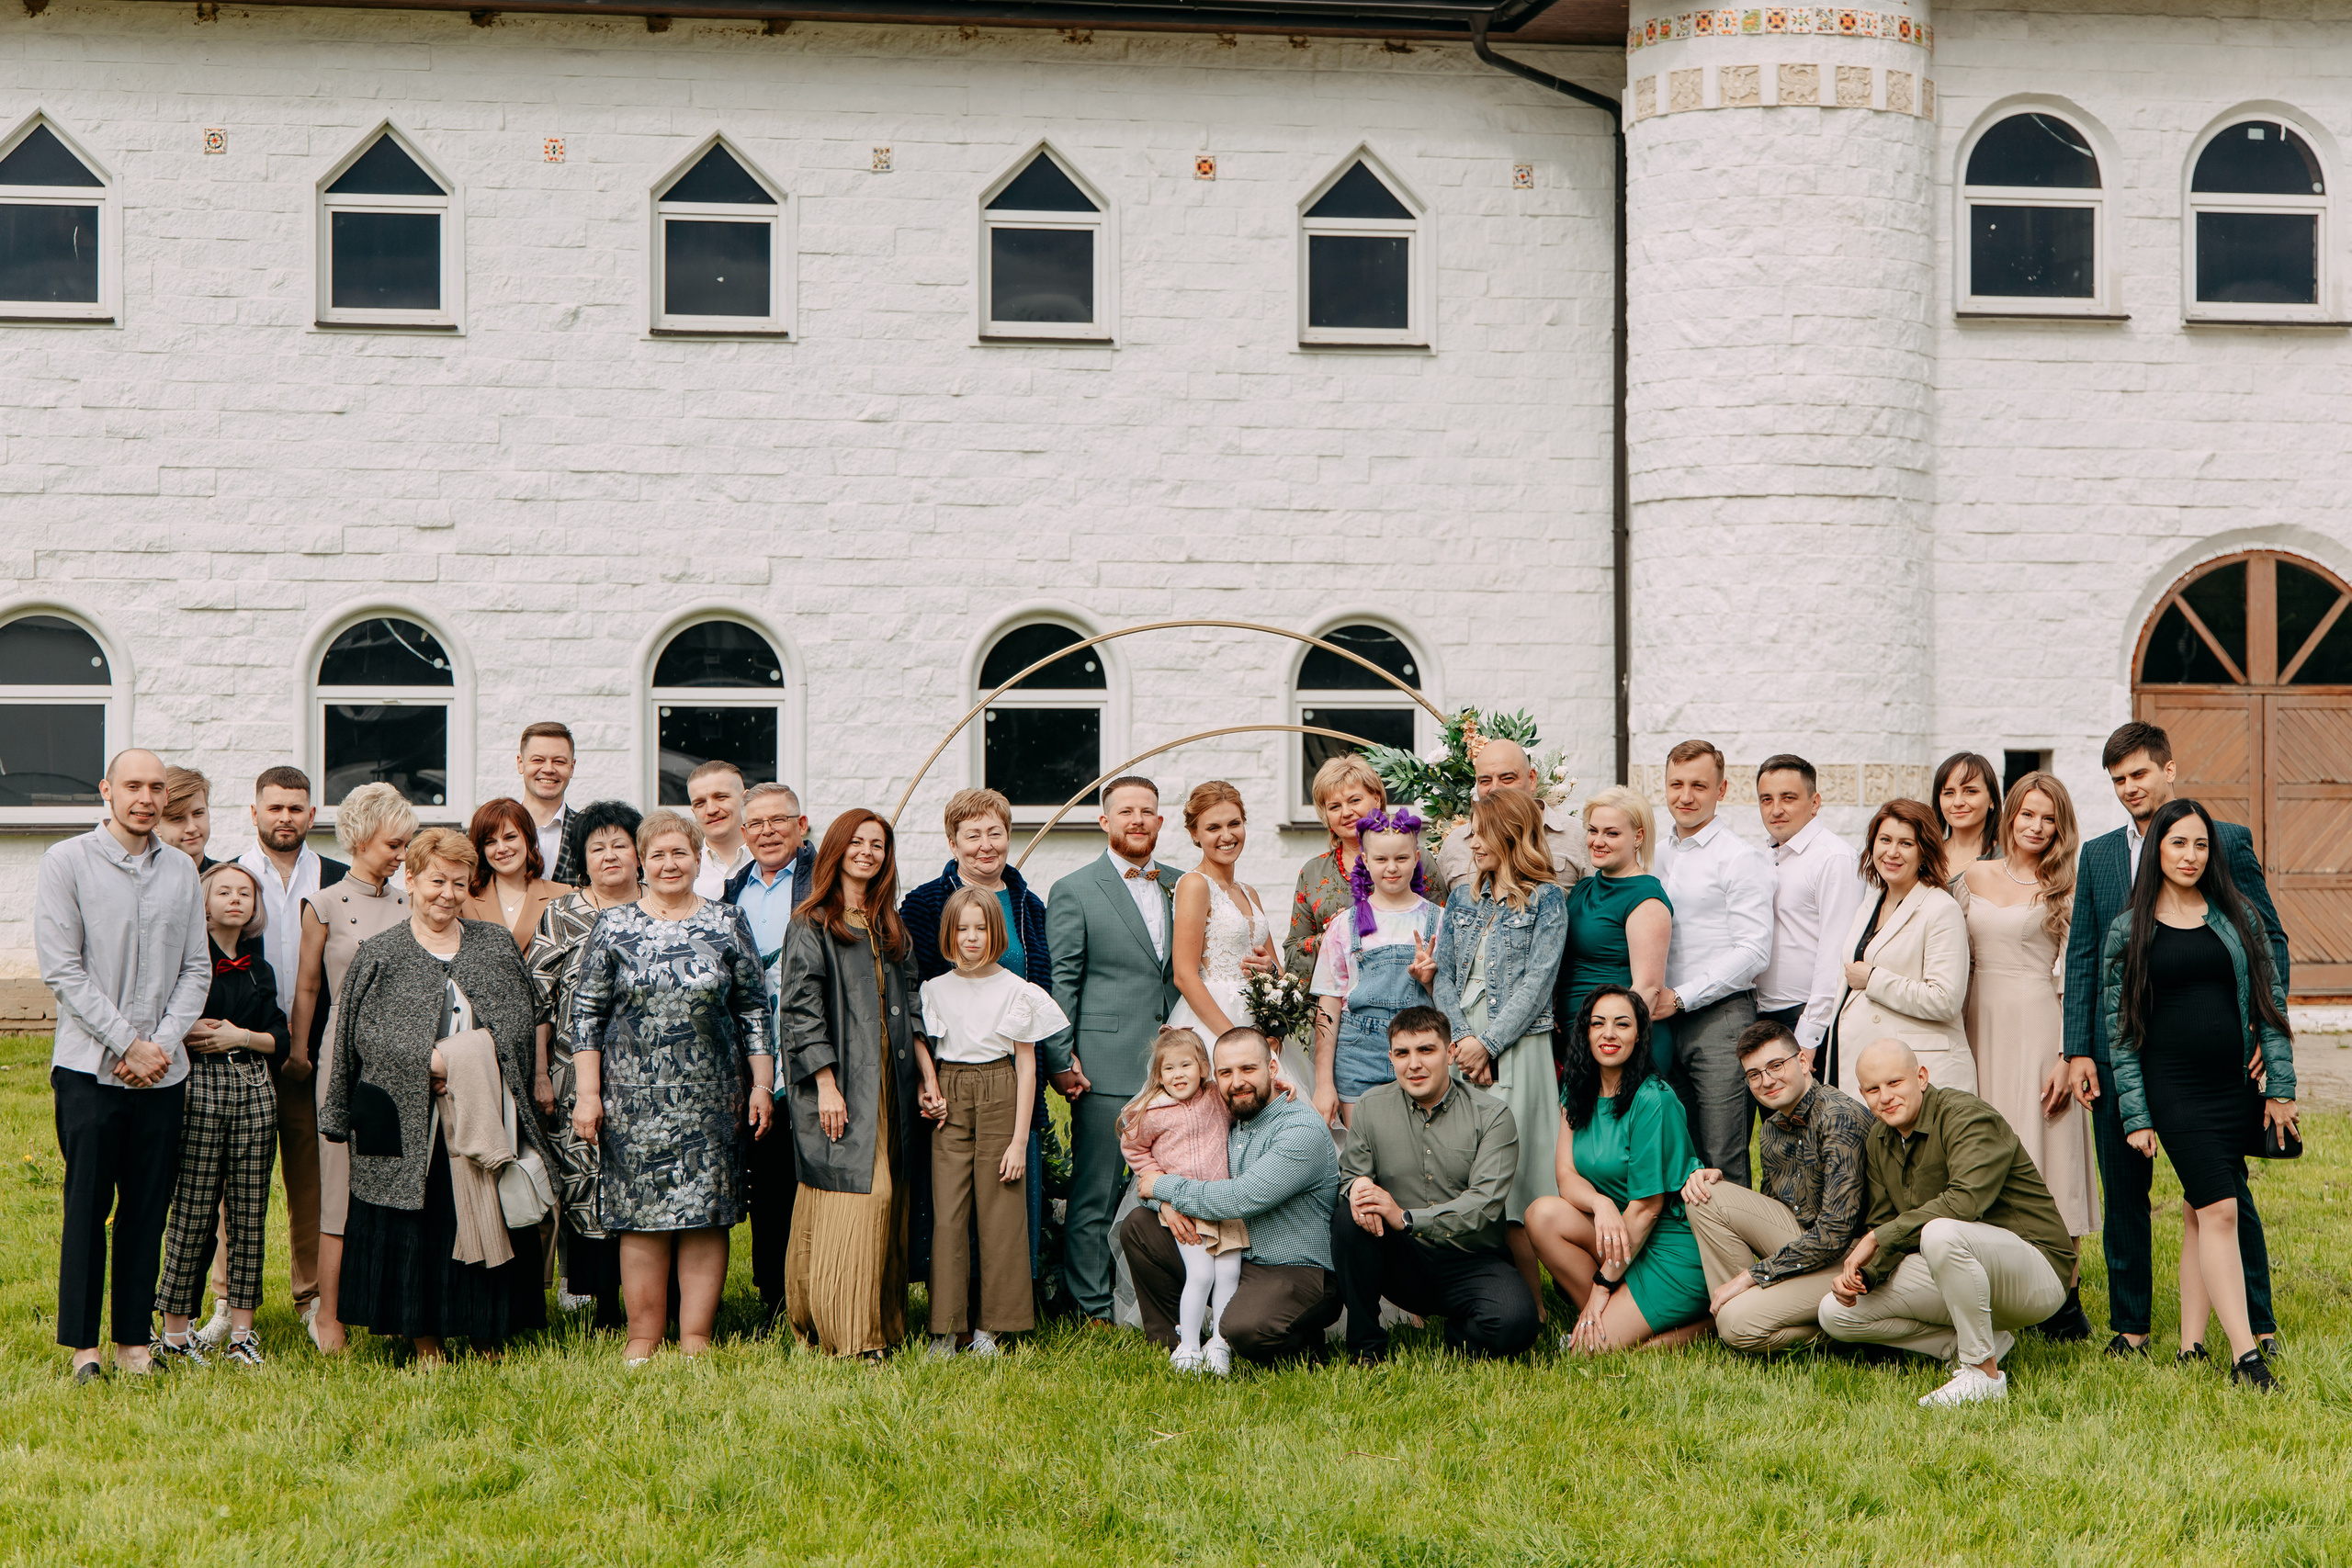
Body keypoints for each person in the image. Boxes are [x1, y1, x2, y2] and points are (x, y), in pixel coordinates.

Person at [2062, 720, 2287, 1359]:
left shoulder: (2224, 842)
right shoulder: (2102, 856)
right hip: (2121, 1053)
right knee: (2125, 1189)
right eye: (2118, 780)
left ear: (2169, 770)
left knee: (2221, 1191)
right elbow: (2084, 955)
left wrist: (2257, 1024)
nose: (2130, 787)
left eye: (2139, 774)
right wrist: (2078, 1046)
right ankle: (2131, 1326)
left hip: (2212, 1056)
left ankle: (2257, 1322)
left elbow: (2268, 941)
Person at [320, 828, 549, 1362]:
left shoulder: (493, 945)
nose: (447, 893)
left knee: (484, 1213)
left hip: (485, 1113)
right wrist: (427, 1064)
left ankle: (488, 1333)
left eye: (459, 883)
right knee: (417, 1229)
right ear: (411, 879)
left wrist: (461, 1060)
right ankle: (424, 1342)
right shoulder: (381, 953)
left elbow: (521, 1020)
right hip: (406, 1118)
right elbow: (360, 1035)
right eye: (436, 881)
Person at [2101, 797, 2294, 1391]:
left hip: (2231, 1083)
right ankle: (2245, 1358)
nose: (2190, 855)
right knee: (2221, 1209)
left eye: (2200, 844)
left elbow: (2270, 1003)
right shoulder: (2129, 928)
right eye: (2178, 842)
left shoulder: (2236, 915)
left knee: (2195, 1213)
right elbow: (2121, 1029)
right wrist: (2135, 1112)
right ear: (2157, 847)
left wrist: (2280, 1086)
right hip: (2172, 1088)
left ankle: (2191, 1347)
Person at [569, 808, 774, 1363]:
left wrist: (761, 1084)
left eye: (679, 853)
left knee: (707, 1214)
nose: (668, 864)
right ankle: (643, 1339)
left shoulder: (727, 922)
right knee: (641, 1218)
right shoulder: (614, 927)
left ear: (697, 857)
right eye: (656, 854)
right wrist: (589, 1095)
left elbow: (755, 1008)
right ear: (641, 861)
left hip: (713, 1098)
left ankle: (696, 1339)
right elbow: (585, 1014)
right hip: (632, 1099)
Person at [36, 749, 210, 1382]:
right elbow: (63, 968)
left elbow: (197, 968)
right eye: (133, 785)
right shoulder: (67, 862)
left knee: (146, 1206)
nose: (146, 797)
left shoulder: (182, 872)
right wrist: (125, 1043)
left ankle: (134, 1342)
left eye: (157, 787)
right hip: (88, 1069)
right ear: (108, 789)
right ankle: (85, 1347)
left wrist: (158, 1045)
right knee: (88, 1204)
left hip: (163, 1072)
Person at [1818, 1040, 2075, 1407]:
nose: (1885, 1097)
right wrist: (1863, 1275)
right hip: (1962, 1270)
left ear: (1921, 1077)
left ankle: (1982, 1374)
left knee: (1939, 1231)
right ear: (1862, 1093)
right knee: (1835, 1314)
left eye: (1895, 1083)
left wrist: (1878, 1237)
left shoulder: (1966, 1116)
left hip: (2037, 1272)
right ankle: (1979, 1344)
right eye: (1873, 1090)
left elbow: (1965, 1202)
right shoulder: (1879, 1140)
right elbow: (1886, 1223)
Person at [778, 808, 937, 1359]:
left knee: (889, 1203)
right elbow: (799, 1013)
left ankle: (883, 1324)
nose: (868, 852)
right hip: (839, 1085)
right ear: (838, 849)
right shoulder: (812, 922)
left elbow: (912, 1004)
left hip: (892, 1084)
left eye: (878, 845)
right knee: (859, 1197)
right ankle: (849, 1336)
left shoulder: (890, 924)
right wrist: (825, 1084)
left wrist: (925, 1076)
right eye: (859, 843)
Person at [899, 785, 1057, 1306]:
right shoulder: (924, 904)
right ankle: (954, 1305)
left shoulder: (1028, 905)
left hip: (1012, 1069)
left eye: (996, 833)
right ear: (953, 842)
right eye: (973, 835)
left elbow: (1043, 988)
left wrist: (1059, 1061)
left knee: (1011, 1187)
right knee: (951, 1197)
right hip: (951, 1069)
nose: (985, 845)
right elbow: (916, 991)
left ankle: (1006, 1304)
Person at [277, 781, 415, 1353]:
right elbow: (308, 987)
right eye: (393, 844)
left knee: (402, 1185)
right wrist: (299, 1053)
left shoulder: (414, 902)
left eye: (407, 844)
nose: (402, 855)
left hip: (406, 1058)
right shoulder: (324, 904)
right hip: (343, 1058)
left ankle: (400, 1308)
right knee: (337, 1189)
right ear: (360, 838)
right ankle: (328, 1316)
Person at [1962, 772, 2100, 1319]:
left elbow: (2078, 974)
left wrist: (2069, 1056)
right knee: (1986, 1142)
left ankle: (2065, 1294)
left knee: (2051, 1147)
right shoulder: (1970, 876)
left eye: (2049, 818)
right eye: (2028, 814)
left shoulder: (2066, 884)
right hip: (1975, 1023)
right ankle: (1995, 1282)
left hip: (2041, 1023)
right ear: (2010, 816)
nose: (2037, 827)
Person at [1042, 776, 1179, 1327]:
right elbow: (1064, 979)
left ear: (1160, 823)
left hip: (1176, 1063)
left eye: (1148, 811)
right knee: (1096, 1188)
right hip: (1104, 1061)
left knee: (1171, 1186)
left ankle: (1158, 1299)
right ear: (1105, 822)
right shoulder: (1075, 889)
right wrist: (1060, 1055)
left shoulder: (1180, 883)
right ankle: (1093, 1305)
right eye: (1126, 812)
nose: (1138, 821)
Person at [1124, 1027, 1344, 1366]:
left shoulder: (1299, 1128)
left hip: (1292, 1269)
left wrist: (1163, 1188)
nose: (1237, 1082)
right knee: (1140, 1226)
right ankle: (1181, 1345)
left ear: (1273, 1069)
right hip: (1232, 1252)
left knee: (1243, 1329)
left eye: (1248, 1069)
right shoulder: (1227, 1116)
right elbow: (1163, 1170)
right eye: (1226, 1072)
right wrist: (1163, 1204)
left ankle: (1298, 1339)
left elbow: (1240, 1198)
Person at [1333, 1005, 1539, 1364]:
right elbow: (1351, 1176)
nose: (1414, 1064)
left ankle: (1460, 1335)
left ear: (1450, 1053)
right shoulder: (1370, 1106)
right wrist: (1359, 1189)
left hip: (1471, 1258)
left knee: (1516, 1324)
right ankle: (1366, 1348)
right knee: (1349, 1217)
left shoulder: (1491, 1116)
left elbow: (1483, 1205)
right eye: (1403, 1053)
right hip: (1402, 1260)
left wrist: (1406, 1218)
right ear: (1391, 1058)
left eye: (1426, 1050)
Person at [1431, 789, 1569, 1312]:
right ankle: (1474, 1294)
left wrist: (1489, 1043)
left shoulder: (1546, 900)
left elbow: (1539, 982)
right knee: (1465, 1168)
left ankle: (1534, 1305)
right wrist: (1464, 1040)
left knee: (1520, 1180)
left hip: (1520, 1046)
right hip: (1463, 1041)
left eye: (1479, 832)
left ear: (1509, 833)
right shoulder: (1463, 897)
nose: (1471, 844)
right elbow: (1444, 971)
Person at [153, 862, 289, 1368]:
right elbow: (165, 1018)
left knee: (251, 1210)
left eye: (246, 893)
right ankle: (174, 1334)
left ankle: (241, 1335)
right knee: (194, 1208)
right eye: (224, 891)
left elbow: (283, 1037)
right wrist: (187, 1033)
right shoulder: (188, 963)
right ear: (204, 902)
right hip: (201, 1085)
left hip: (255, 1084)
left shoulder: (260, 968)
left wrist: (241, 1037)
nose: (235, 900)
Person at [1523, 986, 1711, 1352]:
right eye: (1599, 1023)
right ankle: (1597, 1318)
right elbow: (1566, 1177)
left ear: (1639, 1034)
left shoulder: (1653, 1098)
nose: (1609, 1033)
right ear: (1587, 1032)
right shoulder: (1577, 1090)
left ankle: (1709, 1321)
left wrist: (1600, 1286)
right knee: (1542, 1214)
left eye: (1622, 1024)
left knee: (1586, 1353)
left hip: (1668, 1244)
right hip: (1619, 1233)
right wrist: (1601, 1204)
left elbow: (1646, 1210)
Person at [922, 887, 1065, 1358]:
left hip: (1001, 1091)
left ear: (995, 933)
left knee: (1001, 1215)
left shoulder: (1017, 990)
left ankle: (992, 1327)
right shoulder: (934, 989)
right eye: (962, 929)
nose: (970, 938)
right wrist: (932, 1088)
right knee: (948, 1215)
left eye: (980, 928)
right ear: (949, 933)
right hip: (951, 1095)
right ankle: (946, 1326)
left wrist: (1019, 1139)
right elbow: (924, 1045)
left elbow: (1027, 1065)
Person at [233, 765, 346, 1343]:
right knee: (238, 1181)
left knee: (312, 1178)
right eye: (274, 807)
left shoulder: (336, 878)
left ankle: (312, 1297)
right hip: (242, 1049)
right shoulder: (224, 876)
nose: (285, 818)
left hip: (313, 1051)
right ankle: (231, 1304)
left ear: (311, 814)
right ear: (254, 813)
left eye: (296, 808)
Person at [1680, 1020, 1869, 1353]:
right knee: (1706, 1194)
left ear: (1802, 1062)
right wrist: (1724, 1188)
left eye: (1775, 1066)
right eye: (1754, 1074)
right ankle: (1734, 1305)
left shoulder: (1839, 1116)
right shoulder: (1771, 1131)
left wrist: (1751, 1276)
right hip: (1804, 1246)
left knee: (1736, 1326)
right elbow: (1775, 1212)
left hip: (1850, 1259)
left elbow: (1836, 1231)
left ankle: (1852, 1329)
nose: (1766, 1081)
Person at [524, 799, 641, 1325]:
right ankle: (603, 1304)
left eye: (620, 844)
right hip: (574, 1075)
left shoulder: (664, 905)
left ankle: (656, 1298)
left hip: (651, 1080)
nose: (610, 855)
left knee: (644, 1181)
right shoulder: (563, 913)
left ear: (640, 853)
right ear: (582, 859)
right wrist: (542, 1073)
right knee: (587, 1181)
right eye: (598, 847)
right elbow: (539, 999)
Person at [1651, 739, 1776, 1186]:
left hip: (1721, 1020)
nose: (1686, 796)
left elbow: (1754, 951)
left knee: (1723, 1157)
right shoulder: (1653, 855)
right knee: (1677, 1152)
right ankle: (1688, 1255)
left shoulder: (1741, 859)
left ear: (1721, 791)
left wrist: (1680, 998)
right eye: (1676, 784)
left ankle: (1736, 1257)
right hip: (1660, 1021)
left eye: (1699, 786)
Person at [722, 782, 815, 1332]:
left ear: (801, 826)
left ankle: (817, 1289)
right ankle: (774, 1298)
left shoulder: (821, 881)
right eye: (755, 824)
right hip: (753, 1054)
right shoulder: (734, 890)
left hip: (809, 1046)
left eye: (778, 821)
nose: (766, 832)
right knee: (768, 1173)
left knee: (813, 1174)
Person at [1825, 799, 1971, 1098]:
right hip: (1862, 1062)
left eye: (1906, 843)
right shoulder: (1871, 901)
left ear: (1923, 852)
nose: (1892, 852)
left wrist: (1874, 979)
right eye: (1885, 840)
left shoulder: (1941, 909)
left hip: (1914, 1069)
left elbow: (1945, 1000)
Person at [1118, 1027, 1244, 1372]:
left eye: (1186, 1066)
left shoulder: (1216, 1098)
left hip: (1224, 1202)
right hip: (1186, 1207)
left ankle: (1219, 1343)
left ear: (1204, 1067)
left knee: (1229, 1273)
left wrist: (1282, 1087)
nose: (1178, 1075)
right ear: (1159, 1075)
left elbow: (1249, 1096)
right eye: (1169, 1069)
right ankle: (1188, 1346)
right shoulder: (1153, 1111)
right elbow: (1133, 1148)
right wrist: (1158, 1181)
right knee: (1201, 1273)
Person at [1310, 806, 1441, 1127]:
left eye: (1402, 858)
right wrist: (1324, 1083)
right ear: (1365, 861)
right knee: (1366, 1155)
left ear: (1417, 857)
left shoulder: (1439, 920)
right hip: (1359, 1057)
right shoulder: (1345, 926)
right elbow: (1328, 1007)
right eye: (1381, 860)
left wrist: (1430, 982)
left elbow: (1454, 1002)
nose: (1392, 868)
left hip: (1421, 1053)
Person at [1165, 783, 1286, 1081]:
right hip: (1216, 1022)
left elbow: (1277, 970)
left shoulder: (1249, 893)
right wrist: (1237, 1044)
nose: (1227, 836)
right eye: (1213, 828)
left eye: (1235, 823)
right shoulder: (1194, 885)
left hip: (1260, 1021)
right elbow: (1184, 975)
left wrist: (1270, 971)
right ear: (1195, 834)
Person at [1753, 754, 1865, 1063]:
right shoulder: (1764, 858)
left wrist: (1810, 1034)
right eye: (1766, 799)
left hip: (1806, 1021)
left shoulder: (1834, 858)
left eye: (1788, 798)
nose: (1776, 809)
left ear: (1814, 803)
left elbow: (1836, 951)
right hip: (1761, 1016)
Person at [1429, 738, 1584, 899]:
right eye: (1485, 781)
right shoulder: (1456, 843)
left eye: (1507, 778)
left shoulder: (1577, 837)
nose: (1495, 789)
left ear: (1531, 779)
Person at [1284, 754, 1388, 983]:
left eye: (1354, 800)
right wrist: (1328, 937)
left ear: (1377, 798)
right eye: (1334, 806)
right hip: (1331, 1005)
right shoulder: (1313, 873)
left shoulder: (1411, 860)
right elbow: (1292, 954)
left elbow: (1440, 933)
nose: (1346, 812)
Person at [459, 797, 568, 951]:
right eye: (490, 842)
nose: (502, 848)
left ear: (527, 837)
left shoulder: (563, 895)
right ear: (481, 850)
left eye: (510, 837)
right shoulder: (465, 899)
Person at [515, 720, 583, 886]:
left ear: (572, 767)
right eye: (538, 760)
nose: (548, 769)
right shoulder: (493, 829)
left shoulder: (588, 832)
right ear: (520, 763)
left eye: (559, 761)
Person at [1932, 751, 2003, 879]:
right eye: (1949, 793)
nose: (1958, 802)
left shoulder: (2007, 861)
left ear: (1992, 799)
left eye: (1970, 791)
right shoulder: (1924, 856)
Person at [687, 761, 753, 897]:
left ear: (745, 800)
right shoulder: (684, 869)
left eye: (721, 797)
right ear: (693, 812)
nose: (711, 810)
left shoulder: (772, 859)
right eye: (700, 803)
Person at [159, 765, 217, 869]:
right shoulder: (143, 882)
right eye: (177, 818)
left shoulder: (227, 881)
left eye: (198, 813)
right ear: (155, 825)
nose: (192, 828)